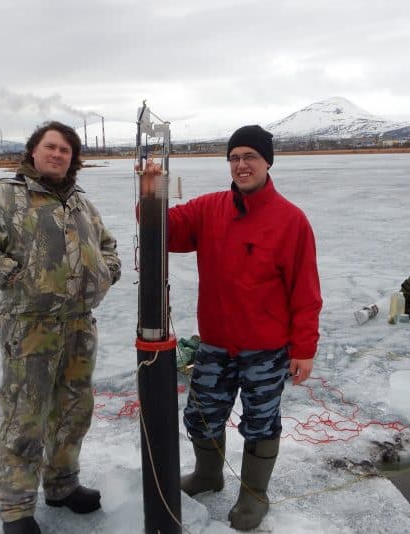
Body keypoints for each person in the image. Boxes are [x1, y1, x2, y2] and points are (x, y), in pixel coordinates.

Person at [140, 125, 322, 531]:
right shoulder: (209, 209)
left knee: (261, 424)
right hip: (217, 345)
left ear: (267, 161)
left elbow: (306, 291)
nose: (241, 165)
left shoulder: (291, 221)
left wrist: (304, 348)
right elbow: (158, 228)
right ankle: (208, 475)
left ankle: (254, 495)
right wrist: (152, 189)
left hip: (267, 350)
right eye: (235, 157)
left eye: (250, 157)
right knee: (200, 415)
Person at [0, 121, 121, 534]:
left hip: (80, 325)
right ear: (33, 151)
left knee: (73, 410)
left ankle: (62, 485)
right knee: (25, 416)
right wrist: (20, 277)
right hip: (30, 328)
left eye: (65, 150)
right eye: (50, 147)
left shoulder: (81, 202)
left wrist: (107, 270)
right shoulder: (5, 197)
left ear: (73, 158)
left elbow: (106, 243)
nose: (57, 155)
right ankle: (15, 509)